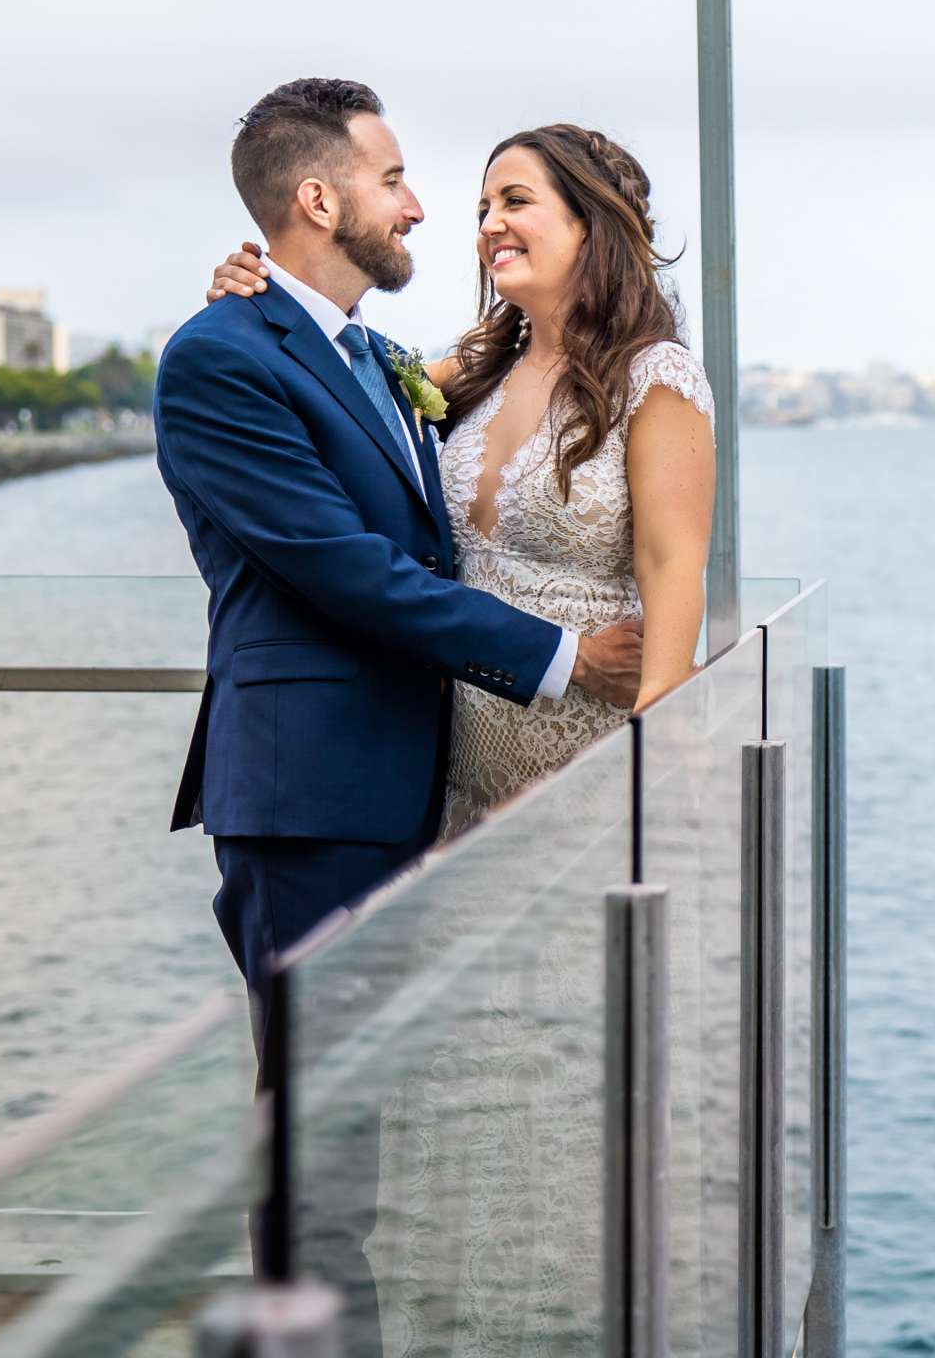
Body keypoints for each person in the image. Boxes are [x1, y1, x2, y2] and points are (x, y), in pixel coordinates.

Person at [203, 120, 716, 1350]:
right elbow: (322, 399)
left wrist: (635, 820)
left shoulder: (659, 384)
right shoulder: (456, 370)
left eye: (517, 199)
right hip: (436, 795)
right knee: (439, 1113)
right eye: (480, 200)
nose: (485, 221)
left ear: (596, 227)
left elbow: (674, 613)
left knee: (571, 1108)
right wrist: (250, 291)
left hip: (574, 790)